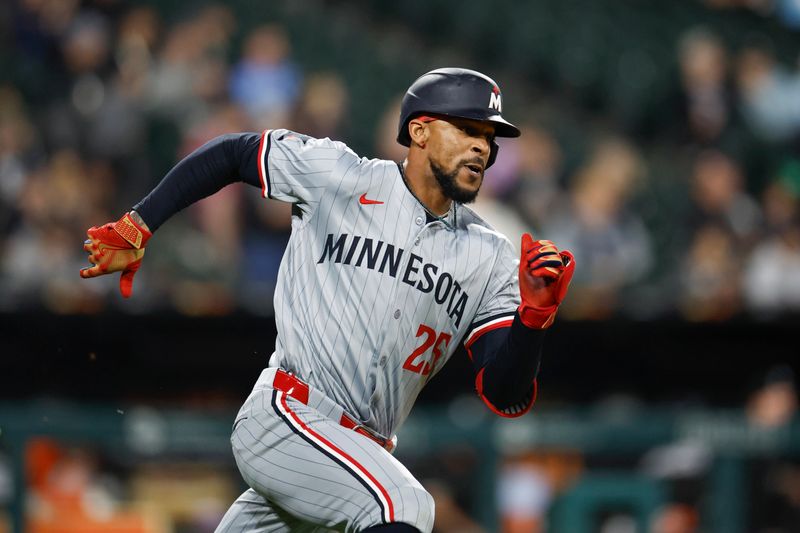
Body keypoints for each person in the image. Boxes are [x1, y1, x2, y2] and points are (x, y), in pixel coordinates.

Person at [80, 67, 575, 533]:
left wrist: (533, 318)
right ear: (420, 132)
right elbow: (232, 153)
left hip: (355, 457)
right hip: (287, 416)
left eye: (488, 138)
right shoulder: (342, 176)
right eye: (468, 129)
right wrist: (141, 221)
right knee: (404, 505)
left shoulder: (490, 256)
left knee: (386, 499)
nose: (481, 148)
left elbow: (505, 395)